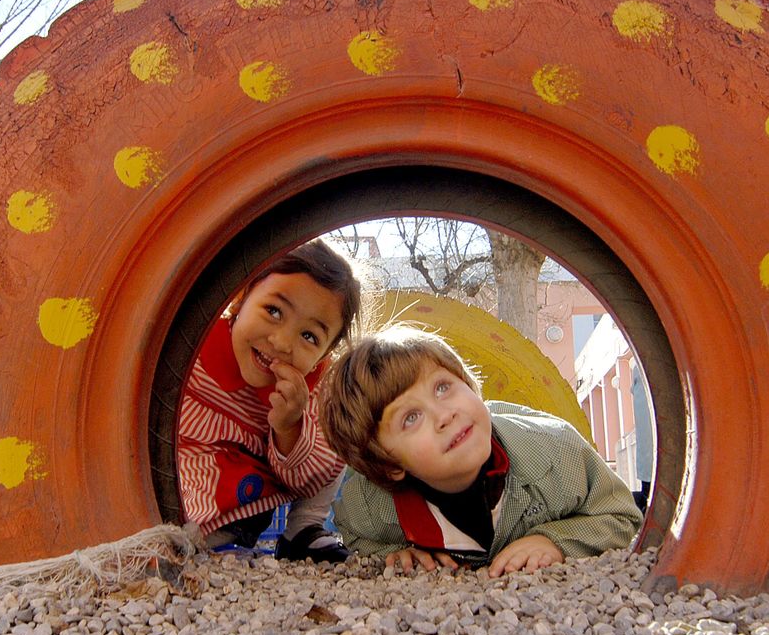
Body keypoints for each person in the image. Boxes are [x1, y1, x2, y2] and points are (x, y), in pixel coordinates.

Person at [319, 325, 641, 577]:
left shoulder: (557, 455)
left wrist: (554, 540)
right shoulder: (368, 503)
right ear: (388, 465)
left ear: (468, 385)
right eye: (411, 418)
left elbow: (621, 515)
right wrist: (395, 551)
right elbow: (355, 535)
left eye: (443, 387)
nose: (444, 415)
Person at [177, 238, 365, 562]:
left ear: (324, 354)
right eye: (274, 311)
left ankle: (304, 529)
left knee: (336, 422)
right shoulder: (191, 350)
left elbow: (313, 476)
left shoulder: (315, 386)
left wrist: (289, 428)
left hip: (252, 501)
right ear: (239, 299)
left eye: (309, 336)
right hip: (191, 483)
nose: (281, 342)